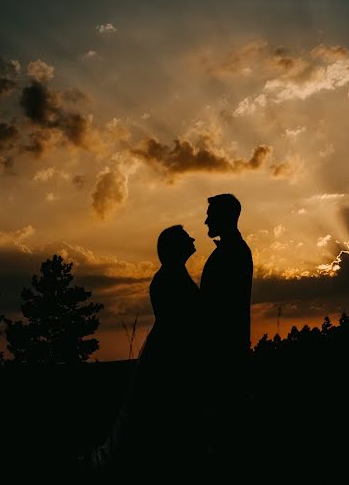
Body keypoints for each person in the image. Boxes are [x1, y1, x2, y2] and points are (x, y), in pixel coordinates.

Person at [87, 225, 201, 473]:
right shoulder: (169, 277)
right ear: (175, 247)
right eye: (185, 238)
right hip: (171, 352)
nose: (193, 239)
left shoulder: (174, 274)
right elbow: (179, 320)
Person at [200, 193, 253, 407]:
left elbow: (223, 304)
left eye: (210, 215)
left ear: (224, 217)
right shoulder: (233, 249)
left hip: (224, 349)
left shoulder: (234, 251)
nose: (206, 221)